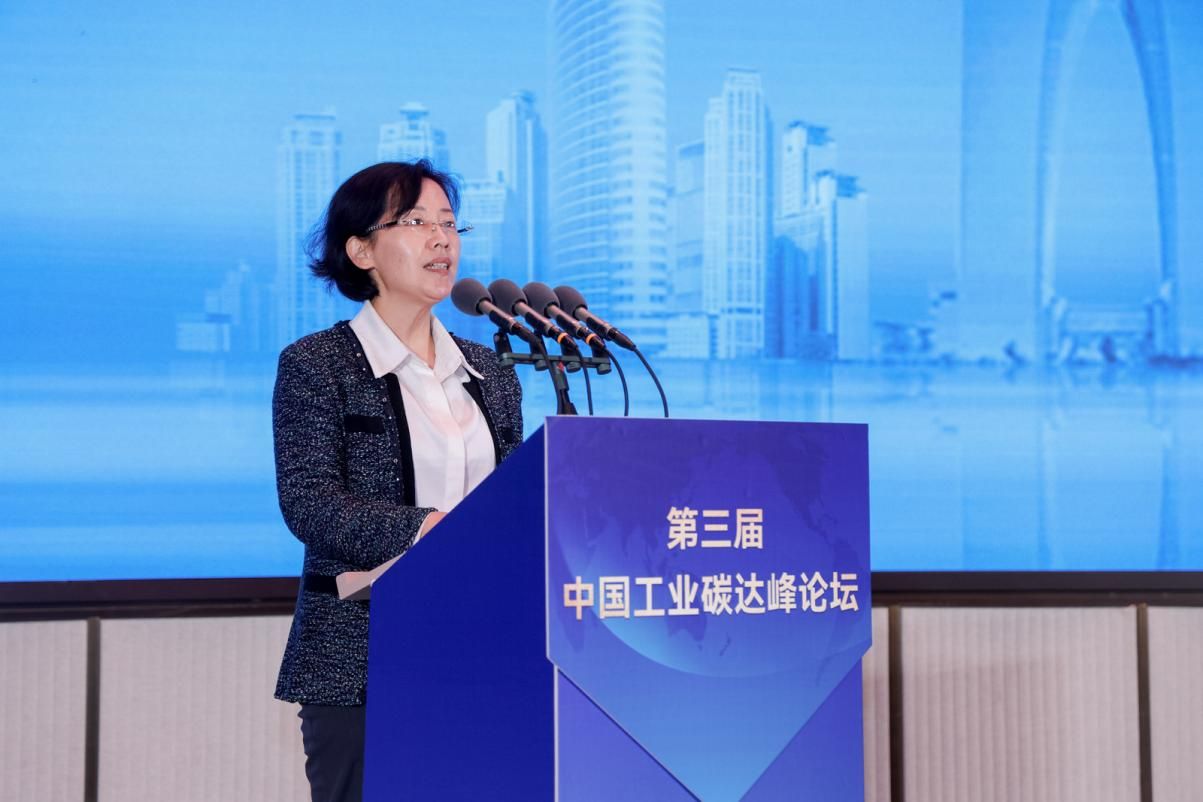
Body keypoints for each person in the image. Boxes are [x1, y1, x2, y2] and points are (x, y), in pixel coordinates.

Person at [271, 160, 524, 802]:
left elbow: (515, 502)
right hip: (362, 662)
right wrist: (428, 530)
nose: (441, 239)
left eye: (449, 223)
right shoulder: (317, 365)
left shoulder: (492, 373)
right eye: (415, 222)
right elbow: (310, 503)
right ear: (361, 251)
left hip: (483, 653)